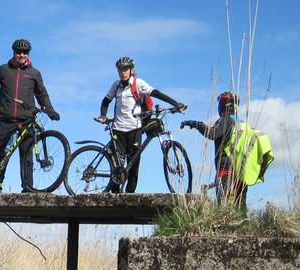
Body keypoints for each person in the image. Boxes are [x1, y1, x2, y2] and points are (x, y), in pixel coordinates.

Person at [98, 56, 186, 193]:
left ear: (131, 70)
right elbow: (106, 101)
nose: (122, 72)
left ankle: (129, 196)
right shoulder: (116, 85)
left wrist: (175, 104)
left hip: (134, 130)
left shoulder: (137, 83)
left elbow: (156, 93)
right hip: (118, 130)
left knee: (133, 167)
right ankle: (113, 196)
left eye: (125, 69)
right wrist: (103, 115)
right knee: (117, 166)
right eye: (120, 69)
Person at [0, 38, 60, 193]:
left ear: (28, 54)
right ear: (14, 52)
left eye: (25, 52)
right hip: (6, 119)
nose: (21, 55)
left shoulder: (35, 73)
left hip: (27, 120)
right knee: (2, 152)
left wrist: (50, 110)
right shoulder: (3, 70)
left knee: (27, 156)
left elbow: (42, 94)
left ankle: (27, 188)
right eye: (19, 52)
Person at [180, 91, 247, 210]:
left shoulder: (225, 120)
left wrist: (196, 124)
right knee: (240, 206)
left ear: (222, 105)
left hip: (225, 167)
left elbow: (212, 134)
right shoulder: (243, 124)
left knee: (223, 205)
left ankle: (224, 227)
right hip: (242, 169)